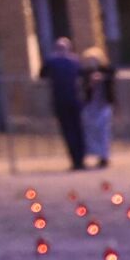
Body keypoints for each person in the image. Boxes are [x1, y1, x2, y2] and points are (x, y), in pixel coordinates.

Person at [38, 37, 86, 171]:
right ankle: (81, 159)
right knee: (78, 130)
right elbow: (81, 76)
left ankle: (75, 161)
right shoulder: (75, 61)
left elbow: (41, 75)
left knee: (68, 130)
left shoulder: (51, 61)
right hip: (75, 99)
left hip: (60, 100)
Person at [79, 47, 116, 170]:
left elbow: (112, 74)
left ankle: (104, 156)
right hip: (91, 105)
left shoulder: (107, 70)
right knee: (91, 130)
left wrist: (102, 77)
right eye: (89, 60)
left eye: (94, 60)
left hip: (103, 104)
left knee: (103, 130)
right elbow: (84, 89)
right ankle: (95, 153)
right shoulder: (85, 73)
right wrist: (91, 82)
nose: (92, 63)